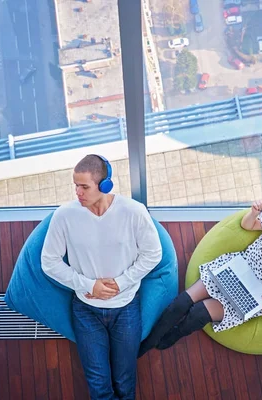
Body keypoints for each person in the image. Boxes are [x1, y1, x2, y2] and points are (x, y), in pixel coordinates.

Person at [139, 196, 262, 356]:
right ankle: (145, 345)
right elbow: (248, 225)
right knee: (181, 303)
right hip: (236, 270)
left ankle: (176, 334)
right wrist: (254, 212)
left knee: (198, 314)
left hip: (255, 297)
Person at [41, 154, 162, 400]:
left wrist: (120, 283)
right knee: (98, 386)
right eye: (75, 186)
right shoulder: (64, 215)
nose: (78, 192)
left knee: (125, 382)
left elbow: (153, 254)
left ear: (105, 185)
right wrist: (88, 285)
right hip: (86, 310)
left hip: (126, 307)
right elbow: (49, 262)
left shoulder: (134, 212)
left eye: (84, 186)